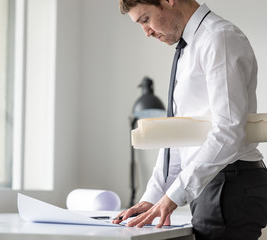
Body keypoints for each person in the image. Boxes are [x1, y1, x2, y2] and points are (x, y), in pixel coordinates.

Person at [112, 0, 267, 239]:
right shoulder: (189, 46)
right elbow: (180, 135)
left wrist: (173, 196)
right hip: (215, 182)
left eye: (146, 19)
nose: (146, 32)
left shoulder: (219, 39)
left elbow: (228, 131)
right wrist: (152, 198)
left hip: (229, 184)